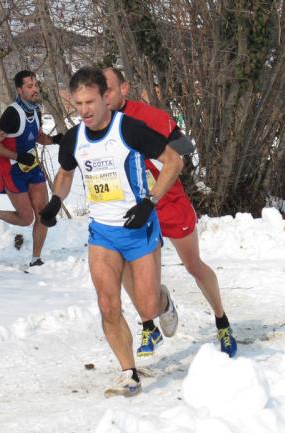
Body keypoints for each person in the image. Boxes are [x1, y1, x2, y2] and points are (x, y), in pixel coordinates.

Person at [39, 67, 184, 397]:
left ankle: (163, 303)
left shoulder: (129, 129)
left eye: (90, 101)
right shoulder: (75, 138)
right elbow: (65, 172)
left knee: (146, 306)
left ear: (106, 98)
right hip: (102, 233)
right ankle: (129, 373)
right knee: (108, 305)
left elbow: (173, 161)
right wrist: (55, 200)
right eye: (78, 104)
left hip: (139, 228)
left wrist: (150, 202)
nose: (85, 110)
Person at [103, 67, 237, 358]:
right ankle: (149, 324)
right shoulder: (98, 128)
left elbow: (183, 151)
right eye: (99, 91)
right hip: (136, 212)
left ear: (124, 89)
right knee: (128, 268)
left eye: (109, 89)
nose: (104, 96)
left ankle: (222, 321)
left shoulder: (149, 117)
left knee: (194, 266)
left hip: (169, 204)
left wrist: (154, 160)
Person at [0, 70, 63, 267]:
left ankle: (36, 259)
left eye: (36, 85)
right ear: (19, 90)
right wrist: (18, 157)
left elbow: (37, 135)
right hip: (12, 170)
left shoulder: (35, 109)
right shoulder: (12, 114)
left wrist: (53, 140)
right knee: (26, 219)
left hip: (32, 166)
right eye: (30, 86)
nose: (35, 89)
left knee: (43, 213)